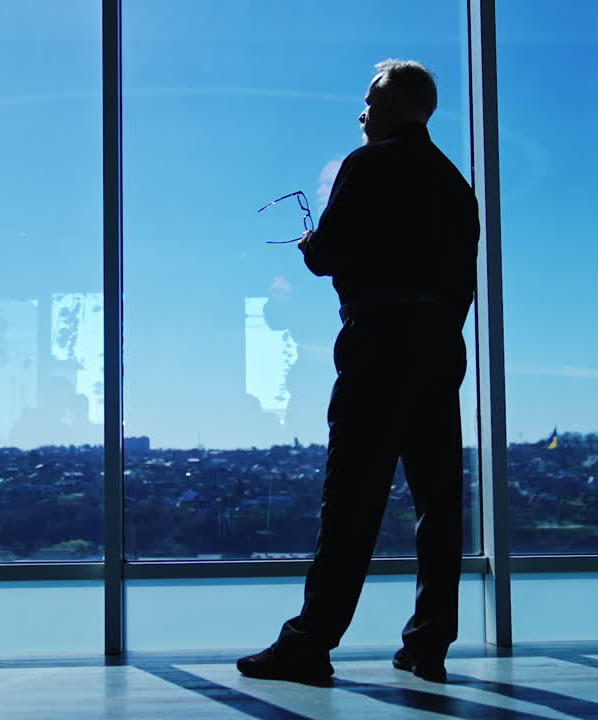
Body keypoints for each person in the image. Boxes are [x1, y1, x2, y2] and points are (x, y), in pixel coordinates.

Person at [236, 59, 480, 685]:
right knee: (438, 503)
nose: (362, 110)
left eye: (371, 98)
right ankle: (429, 643)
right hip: (439, 348)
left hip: (379, 346)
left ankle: (310, 643)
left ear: (398, 106)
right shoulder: (457, 186)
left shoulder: (365, 165)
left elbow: (332, 254)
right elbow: (463, 285)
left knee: (351, 500)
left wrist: (312, 247)